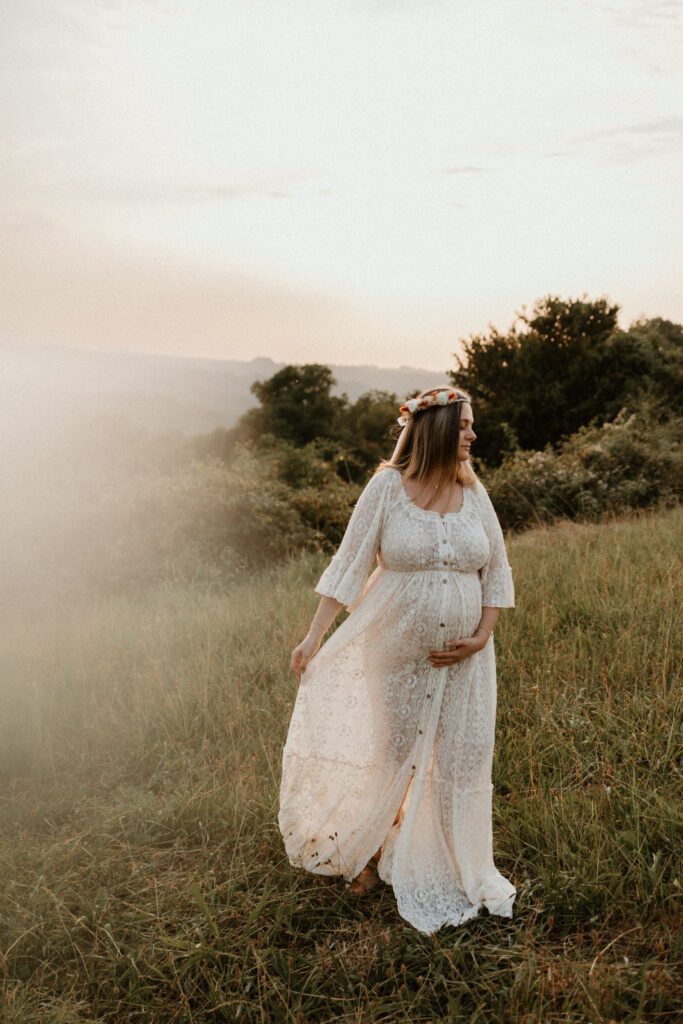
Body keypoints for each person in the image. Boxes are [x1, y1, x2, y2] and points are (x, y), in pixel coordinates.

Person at [278, 385, 516, 935]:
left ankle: (452, 857)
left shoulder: (473, 489)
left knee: (461, 760)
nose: (473, 434)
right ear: (438, 429)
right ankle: (368, 850)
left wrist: (482, 636)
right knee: (392, 756)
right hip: (394, 651)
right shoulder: (387, 487)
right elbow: (350, 562)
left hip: (466, 661)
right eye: (464, 425)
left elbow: (497, 569)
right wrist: (313, 638)